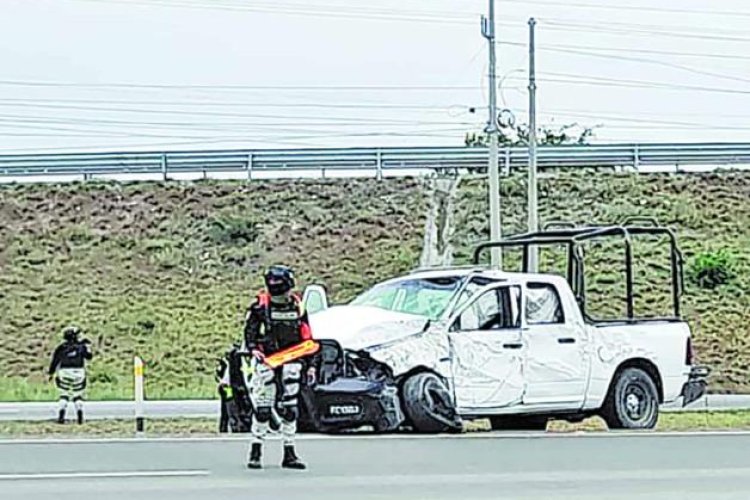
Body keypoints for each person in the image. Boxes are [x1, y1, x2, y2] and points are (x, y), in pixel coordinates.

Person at [243, 265, 312, 470]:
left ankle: (289, 452)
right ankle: (256, 451)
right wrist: (254, 349)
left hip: (292, 359)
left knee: (290, 408)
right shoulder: (260, 307)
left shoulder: (297, 306)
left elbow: (307, 337)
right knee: (263, 408)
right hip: (268, 359)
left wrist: (310, 365)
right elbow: (250, 333)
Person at [48, 325, 93, 425]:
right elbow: (89, 357)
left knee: (64, 394)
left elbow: (55, 361)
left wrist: (51, 373)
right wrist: (88, 347)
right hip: (79, 372)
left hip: (64, 372)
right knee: (78, 394)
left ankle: (61, 416)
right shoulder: (81, 347)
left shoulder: (61, 348)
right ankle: (80, 416)